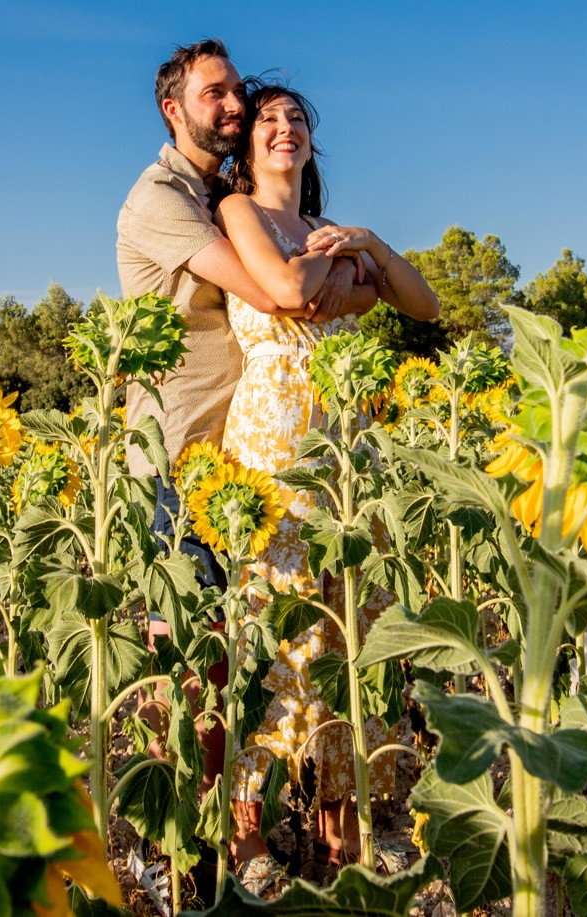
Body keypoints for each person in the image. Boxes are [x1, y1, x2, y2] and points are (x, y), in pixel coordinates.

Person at [115, 41, 377, 869]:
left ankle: (239, 837)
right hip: (175, 454)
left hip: (238, 456)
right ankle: (188, 848)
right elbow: (275, 292)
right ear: (174, 107)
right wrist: (338, 262)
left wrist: (340, 266)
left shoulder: (214, 190)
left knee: (249, 647)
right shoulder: (164, 197)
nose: (232, 106)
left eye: (239, 94)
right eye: (215, 93)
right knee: (192, 659)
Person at [212, 78, 440, 887]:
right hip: (274, 446)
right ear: (246, 145)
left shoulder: (330, 228)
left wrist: (368, 245)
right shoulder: (238, 213)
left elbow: (422, 301)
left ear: (311, 144)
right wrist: (335, 274)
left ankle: (342, 836)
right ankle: (247, 840)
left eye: (297, 119)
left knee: (349, 634)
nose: (284, 128)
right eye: (268, 119)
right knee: (276, 635)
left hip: (347, 446)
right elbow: (288, 292)